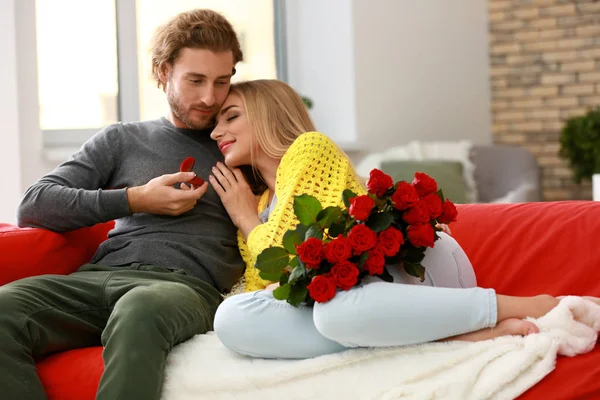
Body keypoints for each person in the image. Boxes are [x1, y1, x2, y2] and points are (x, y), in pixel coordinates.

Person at [208, 79, 599, 359]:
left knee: (335, 310)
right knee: (232, 320)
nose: (216, 132)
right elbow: (277, 292)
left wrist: (246, 219)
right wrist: (251, 215)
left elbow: (300, 263)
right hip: (350, 302)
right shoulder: (260, 200)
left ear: (266, 115)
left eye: (230, 117)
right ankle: (447, 336)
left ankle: (526, 305)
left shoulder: (308, 151)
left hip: (407, 267)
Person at [0, 9, 245, 400]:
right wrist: (135, 199)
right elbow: (34, 204)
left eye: (222, 81)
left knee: (140, 308)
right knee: (3, 307)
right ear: (163, 72)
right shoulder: (122, 140)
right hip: (97, 278)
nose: (209, 97)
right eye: (195, 80)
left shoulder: (239, 142)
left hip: (183, 288)